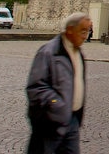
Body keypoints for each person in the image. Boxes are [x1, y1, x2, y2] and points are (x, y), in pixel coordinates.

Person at [26, 12, 92, 154]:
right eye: (83, 31)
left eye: (88, 31)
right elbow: (36, 87)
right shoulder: (49, 52)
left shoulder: (78, 53)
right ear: (69, 30)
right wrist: (57, 105)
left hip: (72, 120)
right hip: (50, 121)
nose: (85, 36)